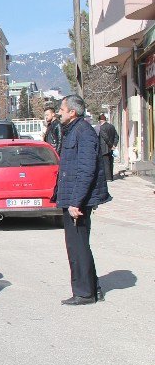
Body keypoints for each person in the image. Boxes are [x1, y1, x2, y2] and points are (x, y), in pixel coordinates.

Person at [55, 95, 111, 305]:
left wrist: (75, 202)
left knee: (77, 247)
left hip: (77, 201)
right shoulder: (74, 130)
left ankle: (84, 293)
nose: (59, 112)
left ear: (73, 112)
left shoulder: (83, 132)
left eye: (62, 109)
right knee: (79, 245)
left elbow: (86, 171)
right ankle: (92, 289)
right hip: (72, 198)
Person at [97, 114, 119, 182]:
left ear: (100, 121)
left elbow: (105, 138)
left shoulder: (102, 128)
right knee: (110, 162)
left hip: (105, 148)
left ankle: (107, 178)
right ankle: (111, 177)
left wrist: (111, 145)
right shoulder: (111, 126)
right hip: (111, 149)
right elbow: (117, 136)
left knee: (105, 163)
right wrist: (114, 145)